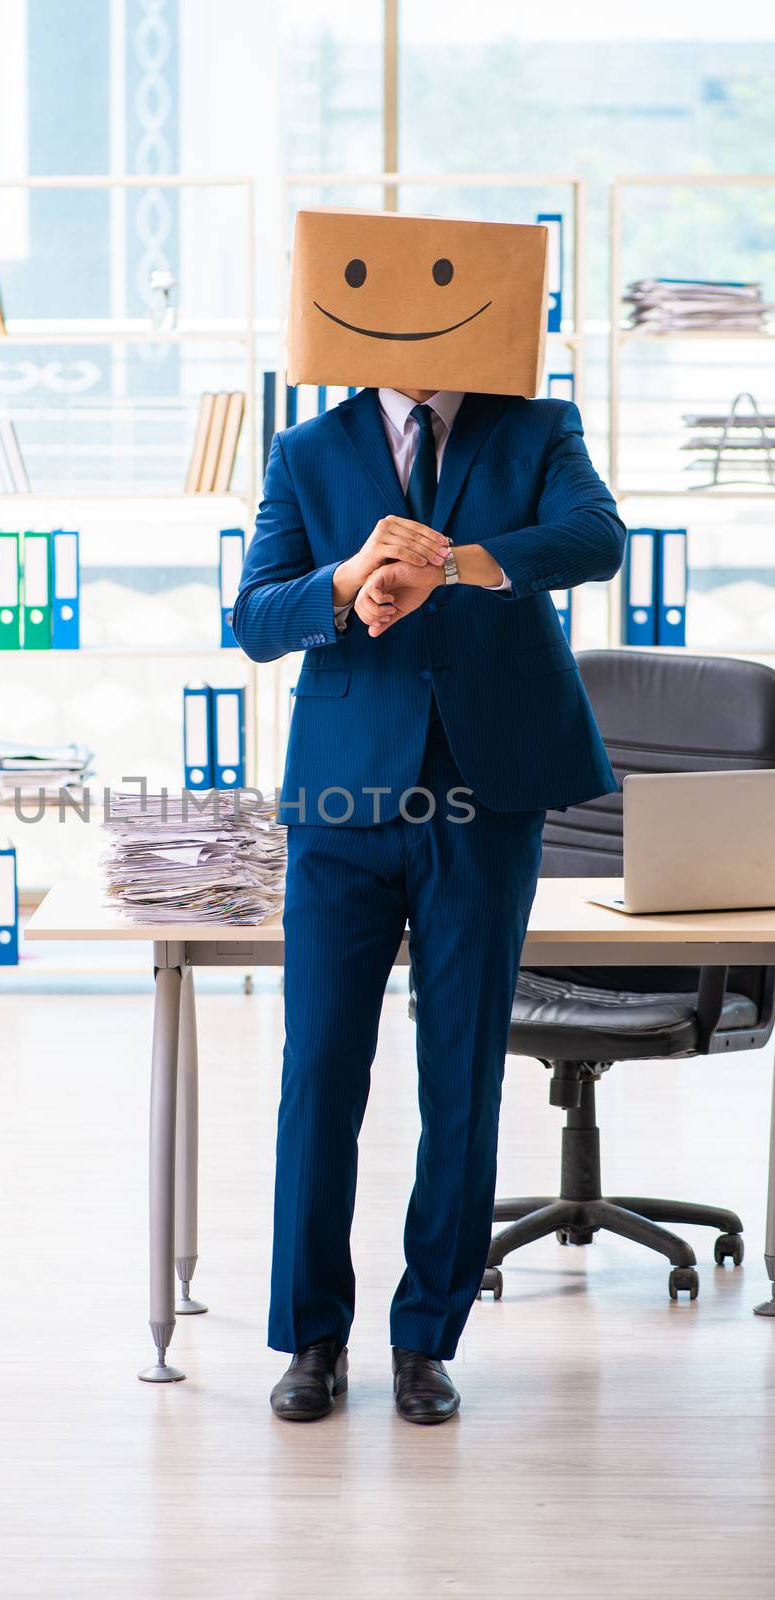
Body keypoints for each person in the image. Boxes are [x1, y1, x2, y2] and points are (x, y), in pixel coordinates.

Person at [232, 383, 624, 1424]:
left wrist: (464, 560)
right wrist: (348, 578)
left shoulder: (535, 427)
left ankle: (424, 1339)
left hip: (486, 792)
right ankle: (313, 1335)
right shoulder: (309, 448)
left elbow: (596, 539)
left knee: (461, 1072)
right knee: (318, 1068)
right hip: (344, 793)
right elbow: (255, 617)